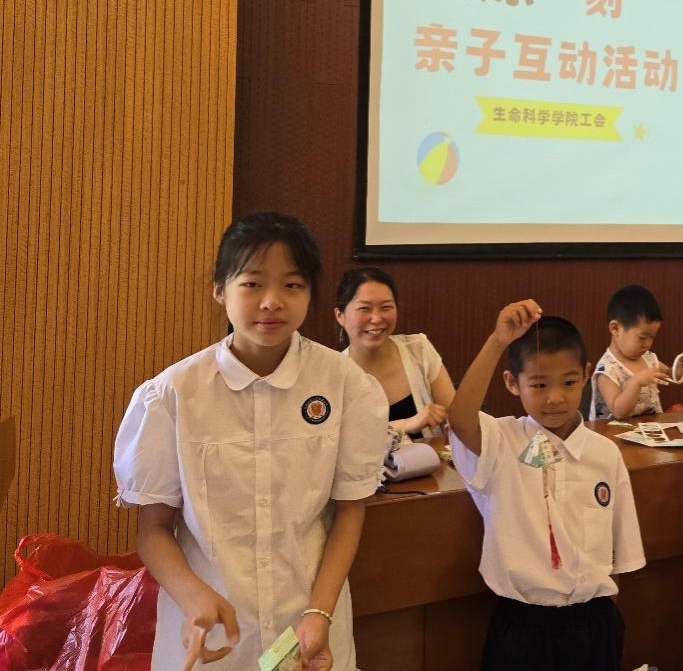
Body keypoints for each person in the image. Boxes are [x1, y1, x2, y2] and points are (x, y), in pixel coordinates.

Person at [113, 212, 387, 671]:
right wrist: (192, 595)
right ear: (220, 289)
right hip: (210, 631)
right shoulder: (173, 394)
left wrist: (320, 612)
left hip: (309, 620)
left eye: (293, 285)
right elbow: (153, 529)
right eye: (253, 284)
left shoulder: (346, 385)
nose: (272, 301)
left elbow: (349, 510)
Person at [447, 301, 645, 671]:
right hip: (523, 626)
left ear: (586, 374)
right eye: (539, 385)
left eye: (568, 382)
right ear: (512, 383)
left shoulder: (604, 454)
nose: (555, 397)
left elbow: (616, 559)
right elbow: (459, 419)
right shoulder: (503, 441)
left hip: (593, 622)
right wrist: (497, 341)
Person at [334, 266, 456, 437]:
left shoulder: (418, 349)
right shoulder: (334, 374)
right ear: (340, 315)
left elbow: (456, 418)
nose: (376, 318)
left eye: (386, 307)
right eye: (364, 308)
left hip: (432, 455)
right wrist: (405, 425)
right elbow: (342, 439)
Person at [591, 284, 683, 420]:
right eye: (642, 337)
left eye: (652, 337)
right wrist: (635, 383)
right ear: (615, 328)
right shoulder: (607, 370)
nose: (647, 344)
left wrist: (681, 365)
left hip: (649, 428)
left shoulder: (648, 358)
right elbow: (618, 412)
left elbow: (671, 377)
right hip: (613, 431)